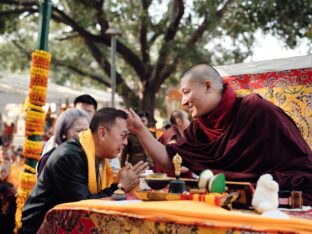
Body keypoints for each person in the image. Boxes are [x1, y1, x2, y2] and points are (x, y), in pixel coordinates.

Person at [127, 64, 312, 205]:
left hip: (273, 200)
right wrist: (140, 130)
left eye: (186, 92)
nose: (183, 101)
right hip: (227, 203)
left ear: (208, 86)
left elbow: (301, 166)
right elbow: (171, 160)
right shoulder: (199, 128)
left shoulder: (256, 111)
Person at [20, 107, 149, 234]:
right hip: (40, 228)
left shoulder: (96, 156)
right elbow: (83, 207)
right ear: (102, 133)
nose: (126, 142)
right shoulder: (68, 157)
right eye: (123, 136)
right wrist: (119, 187)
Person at [36, 108, 90, 178]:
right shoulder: (50, 159)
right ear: (64, 132)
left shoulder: (87, 157)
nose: (84, 134)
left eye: (87, 130)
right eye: (79, 130)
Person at [155, 110, 192, 177]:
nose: (189, 122)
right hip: (170, 177)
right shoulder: (173, 136)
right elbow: (172, 162)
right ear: (179, 121)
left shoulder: (176, 133)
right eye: (187, 118)